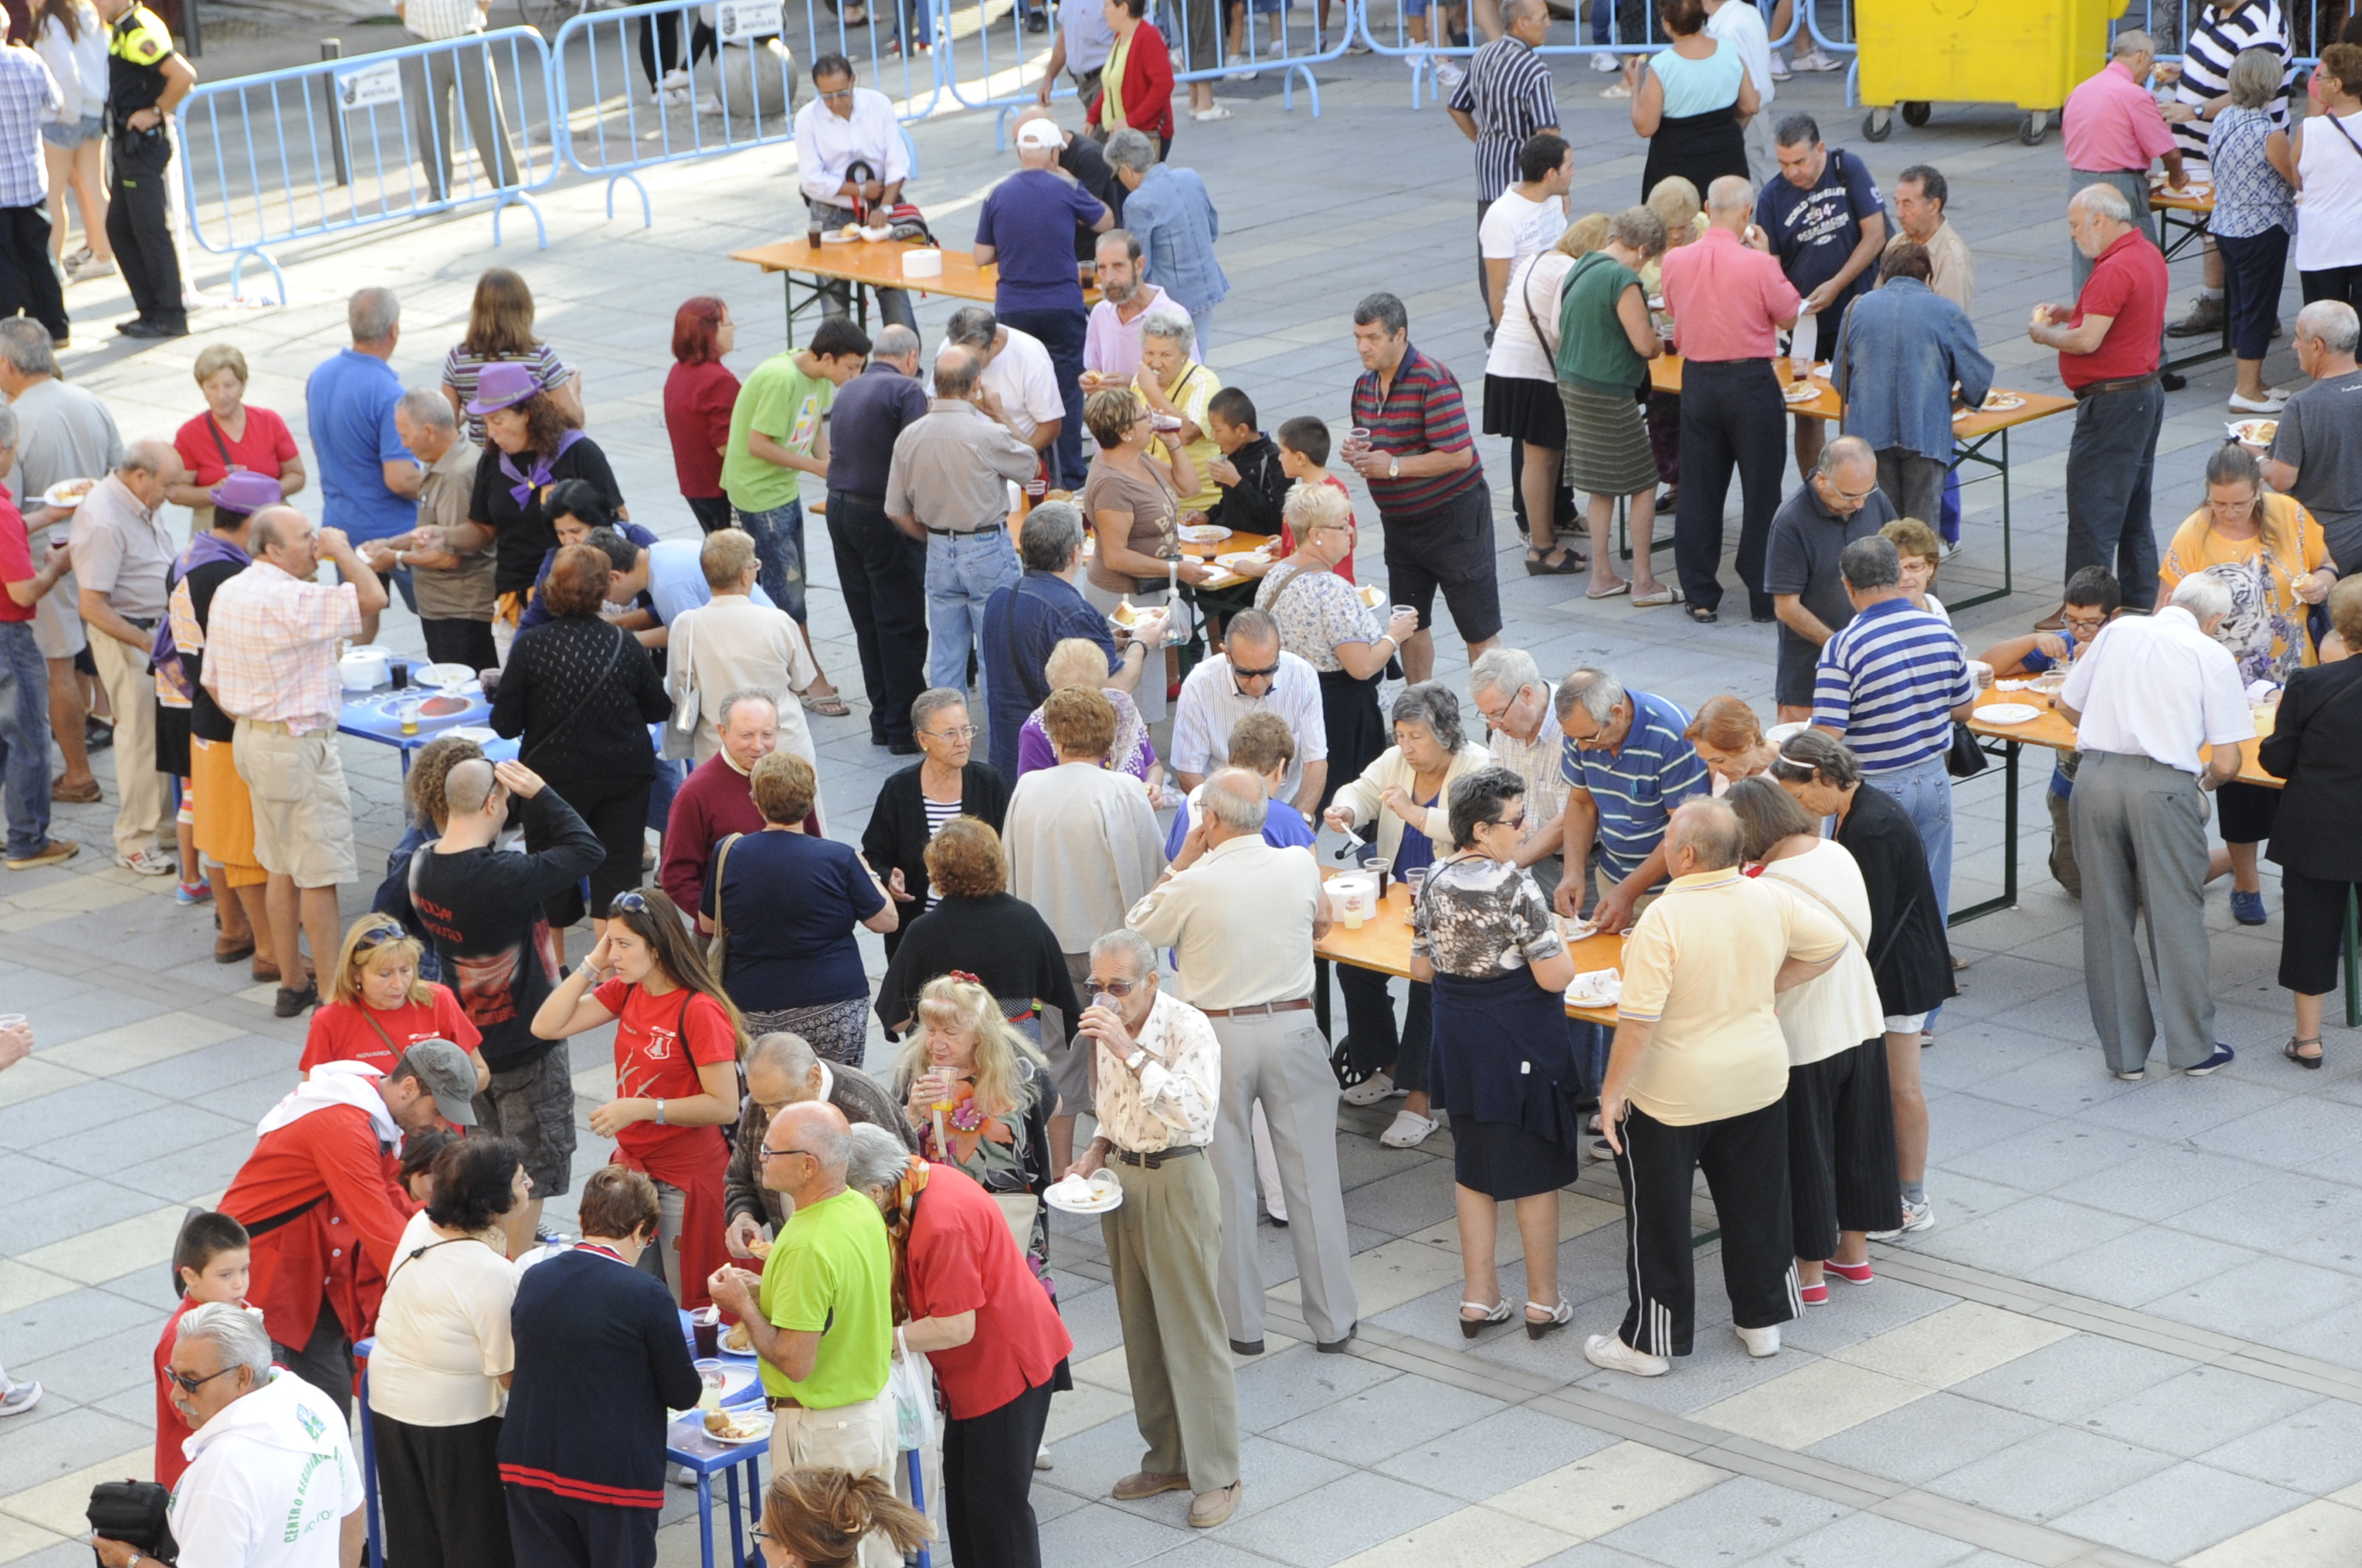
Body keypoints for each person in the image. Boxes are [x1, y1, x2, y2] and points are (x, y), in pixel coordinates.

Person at [1582, 799, 1844, 1377]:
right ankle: (1761, 1320)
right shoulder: (1768, 896)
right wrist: (1769, 986)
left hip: (1672, 1094)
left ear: (1686, 855)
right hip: (1756, 1079)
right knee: (1757, 1203)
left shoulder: (1664, 920)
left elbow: (1639, 1022)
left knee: (1660, 1216)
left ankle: (1651, 1343)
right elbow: (1830, 944)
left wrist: (1609, 1095)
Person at [1128, 768, 1356, 1355]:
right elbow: (1324, 920)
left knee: (1226, 1185)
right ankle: (1333, 1320)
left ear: (1210, 819)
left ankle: (1243, 1327)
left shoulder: (1194, 882)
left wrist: (1182, 858)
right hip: (1293, 1025)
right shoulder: (1300, 864)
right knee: (1315, 1182)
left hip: (1216, 1036)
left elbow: (1139, 929)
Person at [1060, 925, 1240, 1525]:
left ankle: (1219, 1473)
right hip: (1121, 1179)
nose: (1106, 996)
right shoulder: (1105, 1027)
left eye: (1120, 985)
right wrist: (1093, 1152)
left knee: (1191, 1329)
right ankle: (1166, 1457)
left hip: (1177, 1176)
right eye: (1096, 984)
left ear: (1153, 981)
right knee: (1140, 1328)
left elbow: (1194, 1109)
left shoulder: (1187, 1028)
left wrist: (1131, 1053)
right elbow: (1112, 1109)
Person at [842, 1125, 1071, 1568]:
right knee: (967, 1506)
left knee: (997, 1515)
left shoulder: (940, 1221)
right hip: (977, 1371)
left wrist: (885, 1340)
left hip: (1005, 1369)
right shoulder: (914, 1185)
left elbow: (955, 1327)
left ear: (872, 1191)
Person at [1409, 765, 1586, 1338]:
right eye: (1516, 820)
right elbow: (1556, 976)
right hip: (1518, 1041)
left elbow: (1420, 964)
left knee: (1474, 1165)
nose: (1525, 828)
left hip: (1458, 1039)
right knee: (1533, 1169)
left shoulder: (1433, 877)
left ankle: (1478, 1297)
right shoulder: (1514, 885)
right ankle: (1543, 1301)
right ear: (1483, 830)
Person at [2060, 573, 2254, 1079]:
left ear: (2168, 599)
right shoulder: (2211, 655)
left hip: (2095, 778)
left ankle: (2124, 1056)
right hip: (2164, 786)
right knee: (2175, 919)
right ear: (2214, 621)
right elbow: (2230, 762)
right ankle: (2193, 1049)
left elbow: (2067, 705)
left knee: (2105, 917)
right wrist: (2205, 781)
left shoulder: (2118, 632)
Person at [404, 759, 603, 1246]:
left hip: (473, 1048)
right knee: (529, 1172)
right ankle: (511, 1270)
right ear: (493, 803)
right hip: (530, 1042)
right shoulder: (502, 874)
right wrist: (542, 792)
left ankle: (496, 1252)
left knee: (490, 1169)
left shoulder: (421, 865)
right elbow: (587, 849)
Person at [219, 1041, 475, 1419]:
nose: (441, 1125)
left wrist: (448, 1233)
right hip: (263, 1283)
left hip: (307, 1281)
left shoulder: (369, 1106)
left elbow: (388, 1194)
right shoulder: (346, 1127)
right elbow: (379, 1224)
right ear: (408, 1088)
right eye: (438, 1110)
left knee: (330, 1413)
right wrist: (442, 1289)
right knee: (269, 1419)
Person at [205, 506, 387, 1015]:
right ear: (272, 549)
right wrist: (345, 551)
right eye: (305, 537)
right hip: (295, 745)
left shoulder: (232, 589)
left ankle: (291, 982)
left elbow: (214, 680)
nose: (316, 542)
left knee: (281, 865)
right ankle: (333, 997)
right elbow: (374, 597)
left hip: (252, 740)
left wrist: (259, 717)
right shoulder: (292, 596)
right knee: (316, 873)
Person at [1770, 729, 1951, 1235]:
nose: (1802, 809)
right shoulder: (1856, 809)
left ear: (1824, 778)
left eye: (1803, 797)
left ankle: (1912, 1197)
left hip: (1900, 972)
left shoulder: (1869, 826)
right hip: (1898, 962)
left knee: (1901, 1087)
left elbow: (1868, 920)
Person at [1722, 776, 1895, 1301]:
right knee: (1857, 1142)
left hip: (1803, 1035)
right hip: (1862, 1018)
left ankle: (1810, 1274)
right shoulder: (1837, 853)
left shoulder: (1766, 888)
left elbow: (1757, 964)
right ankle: (1855, 1255)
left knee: (1807, 1151)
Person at [532, 885, 744, 1305]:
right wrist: (592, 963)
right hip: (635, 1176)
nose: (614, 955)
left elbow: (724, 1105)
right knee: (625, 1299)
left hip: (687, 1183)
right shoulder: (629, 989)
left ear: (659, 946)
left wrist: (643, 1109)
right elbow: (546, 1025)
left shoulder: (699, 1009)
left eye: (624, 944)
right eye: (612, 943)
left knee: (691, 1304)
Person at [706, 1101, 899, 1557]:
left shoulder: (806, 1245)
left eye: (771, 1151)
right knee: (869, 1556)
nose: (760, 1157)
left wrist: (741, 1307)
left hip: (823, 1430)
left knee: (816, 1557)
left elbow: (795, 1361)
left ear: (808, 1166)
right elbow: (836, 1301)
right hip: (868, 1414)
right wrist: (768, 1289)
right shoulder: (859, 1208)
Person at [2158, 441, 2331, 924]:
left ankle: (2302, 881)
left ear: (2258, 492)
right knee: (2237, 783)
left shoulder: (2290, 515)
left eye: (2237, 502)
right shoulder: (2194, 533)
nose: (2228, 512)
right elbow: (2167, 605)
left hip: (2295, 675)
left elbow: (2327, 565)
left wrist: (2322, 583)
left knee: (2299, 783)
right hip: (2224, 682)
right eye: (2218, 503)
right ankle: (2246, 878)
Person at [500, 1166, 702, 1568]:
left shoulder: (535, 1277)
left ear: (581, 1219)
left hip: (528, 1462)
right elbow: (684, 1392)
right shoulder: (646, 1293)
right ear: (640, 1230)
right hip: (610, 1479)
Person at [1322, 683, 1494, 1148]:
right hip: (1398, 896)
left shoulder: (1477, 766)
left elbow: (1468, 830)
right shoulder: (1395, 761)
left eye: (1416, 736)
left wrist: (1413, 811)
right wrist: (1346, 808)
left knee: (1429, 979)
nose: (1407, 747)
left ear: (1447, 733)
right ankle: (1388, 1066)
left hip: (1456, 903)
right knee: (1353, 966)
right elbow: (1362, 789)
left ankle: (1421, 1097)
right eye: (1400, 735)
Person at [1004, 686, 1166, 1153]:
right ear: (1111, 739)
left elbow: (1009, 870)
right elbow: (1151, 874)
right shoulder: (1122, 791)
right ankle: (1128, 1155)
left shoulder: (1028, 789)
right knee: (1125, 1051)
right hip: (1112, 953)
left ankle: (1059, 1169)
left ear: (1055, 738)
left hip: (1048, 947)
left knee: (1058, 1058)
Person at [490, 545, 670, 932]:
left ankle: (555, 970)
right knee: (619, 869)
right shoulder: (625, 645)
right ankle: (609, 970)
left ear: (550, 588)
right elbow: (659, 708)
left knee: (551, 869)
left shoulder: (531, 646)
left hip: (552, 780)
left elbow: (504, 724)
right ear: (604, 589)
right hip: (624, 773)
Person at [103, 1305, 362, 1568]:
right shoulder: (315, 1402)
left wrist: (133, 1560)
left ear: (242, 1377)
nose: (176, 1395)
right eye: (174, 1377)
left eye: (191, 1382)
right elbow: (351, 1512)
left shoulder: (222, 1474)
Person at [370, 1136, 525, 1568]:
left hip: (388, 1404)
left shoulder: (420, 1224)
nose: (528, 1184)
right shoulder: (491, 1273)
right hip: (453, 1422)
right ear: (494, 1200)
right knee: (476, 1543)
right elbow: (509, 1373)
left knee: (414, 1537)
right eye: (519, 1179)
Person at [1811, 536, 1973, 936]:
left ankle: (1880, 996)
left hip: (1874, 788)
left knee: (1871, 906)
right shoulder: (1939, 628)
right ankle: (1930, 995)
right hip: (1934, 779)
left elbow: (1829, 734)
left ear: (1847, 585)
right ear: (1898, 574)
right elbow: (1963, 709)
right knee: (1930, 896)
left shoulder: (1844, 646)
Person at [1661, 174, 1801, 624]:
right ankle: (1763, 596)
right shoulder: (1757, 264)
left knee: (1700, 488)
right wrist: (1767, 259)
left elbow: (1670, 309)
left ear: (1707, 205)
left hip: (1699, 380)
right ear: (1747, 214)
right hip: (1751, 383)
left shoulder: (1677, 260)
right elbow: (1789, 312)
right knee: (1762, 491)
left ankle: (1700, 593)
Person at [2032, 182, 2171, 615]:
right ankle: (2138, 603)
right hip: (2143, 395)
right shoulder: (2145, 253)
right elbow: (2111, 313)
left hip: (2114, 405)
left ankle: (2082, 608)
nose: (2073, 233)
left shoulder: (2114, 267)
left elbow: (2088, 339)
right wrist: (2071, 309)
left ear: (2100, 219)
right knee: (2133, 512)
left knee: (2092, 515)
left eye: (2076, 225)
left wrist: (2046, 335)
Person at [1344, 293, 1497, 680]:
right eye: (1358, 337)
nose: (1363, 346)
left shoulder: (1432, 379)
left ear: (1401, 335)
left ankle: (1500, 719)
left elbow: (1459, 454)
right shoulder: (1365, 385)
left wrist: (1394, 465)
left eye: (1373, 337)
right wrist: (1358, 450)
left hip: (1453, 520)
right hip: (1401, 525)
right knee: (1408, 624)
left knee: (1478, 628)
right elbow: (1378, 442)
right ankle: (1419, 712)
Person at [705, 749, 895, 1058]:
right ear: (810, 800)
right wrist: (870, 872)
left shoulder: (730, 853)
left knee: (767, 1097)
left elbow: (709, 924)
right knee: (834, 1094)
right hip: (833, 1001)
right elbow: (886, 921)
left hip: (753, 1003)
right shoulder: (838, 857)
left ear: (756, 801)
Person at [719, 322, 863, 716]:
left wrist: (834, 464)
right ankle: (808, 679)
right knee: (788, 593)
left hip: (783, 490)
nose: (854, 377)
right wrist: (815, 468)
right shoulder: (782, 378)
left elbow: (813, 425)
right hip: (759, 495)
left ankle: (785, 669)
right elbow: (757, 443)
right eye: (851, 368)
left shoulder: (815, 379)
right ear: (827, 358)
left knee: (790, 584)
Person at [885, 344, 1040, 708]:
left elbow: (895, 510)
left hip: (938, 548)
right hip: (985, 546)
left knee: (945, 656)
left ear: (936, 385)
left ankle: (945, 739)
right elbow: (1031, 465)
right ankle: (1001, 744)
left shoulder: (910, 436)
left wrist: (932, 537)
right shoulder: (986, 434)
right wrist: (1000, 414)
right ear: (976, 385)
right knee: (995, 654)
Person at [157, 473, 272, 954]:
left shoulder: (193, 553)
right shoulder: (225, 576)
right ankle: (255, 935)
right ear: (252, 524)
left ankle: (232, 927)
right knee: (239, 837)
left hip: (187, 701)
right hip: (223, 712)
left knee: (214, 825)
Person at [1, 316, 115, 805]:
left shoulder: (15, 421)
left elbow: (11, 510)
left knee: (58, 666)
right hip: (102, 544)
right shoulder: (90, 400)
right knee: (113, 655)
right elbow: (118, 471)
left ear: (7, 364)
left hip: (47, 556)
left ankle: (77, 775)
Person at [977, 500, 1162, 783]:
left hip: (1008, 753)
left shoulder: (1000, 596)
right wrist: (1141, 642)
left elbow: (1034, 652)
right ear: (1076, 552)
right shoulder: (1074, 612)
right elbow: (1115, 686)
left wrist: (1110, 644)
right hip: (1057, 755)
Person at [1257, 480, 1415, 804]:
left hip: (1289, 701)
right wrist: (1394, 635)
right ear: (1316, 534)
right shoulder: (1332, 589)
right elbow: (1363, 666)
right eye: (1343, 527)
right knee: (1350, 803)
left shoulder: (1275, 574)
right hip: (1339, 714)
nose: (1351, 535)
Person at [975, 123, 1113, 490]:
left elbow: (981, 255)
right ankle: (1068, 475)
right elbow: (1106, 220)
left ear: (1021, 153)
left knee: (1014, 387)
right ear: (1055, 153)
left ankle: (1019, 469)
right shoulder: (1066, 187)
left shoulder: (998, 193)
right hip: (1061, 305)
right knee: (1067, 389)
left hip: (1014, 307)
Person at [884, 976, 1056, 1265]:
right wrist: (912, 1112)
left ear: (979, 1033)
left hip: (1008, 1215)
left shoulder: (1018, 1073)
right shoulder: (913, 1073)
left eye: (950, 1033)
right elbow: (889, 1149)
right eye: (931, 1030)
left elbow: (1051, 1106)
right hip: (941, 1218)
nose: (936, 1043)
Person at [2262, 577, 2362, 1067]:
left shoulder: (2311, 683)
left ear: (2342, 630)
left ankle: (2308, 1041)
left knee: (2309, 929)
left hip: (2316, 828)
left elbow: (2276, 761)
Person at [68, 441, 178, 875]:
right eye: (166, 484)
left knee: (162, 732)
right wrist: (145, 642)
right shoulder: (103, 518)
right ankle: (134, 840)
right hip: (130, 636)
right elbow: (92, 604)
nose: (171, 492)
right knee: (139, 738)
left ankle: (164, 825)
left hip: (153, 630)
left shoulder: (138, 500)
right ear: (140, 477)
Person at [1755, 115, 1886, 477]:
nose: (1792, 172)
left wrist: (1838, 283)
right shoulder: (1772, 197)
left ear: (1820, 149)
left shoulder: (1848, 168)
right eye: (1783, 164)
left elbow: (1875, 235)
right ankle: (1816, 488)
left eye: (1799, 162)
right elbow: (1770, 267)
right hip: (1807, 325)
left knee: (1857, 407)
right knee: (1808, 412)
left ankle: (1859, 484)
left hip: (1856, 314)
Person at [1556, 204, 1675, 602]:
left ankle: (1602, 576)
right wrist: (1659, 338)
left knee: (1601, 486)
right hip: (1607, 391)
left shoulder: (1583, 265)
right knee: (1644, 483)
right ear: (1642, 249)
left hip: (1573, 383)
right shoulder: (1622, 279)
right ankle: (1643, 581)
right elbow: (1644, 344)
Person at [821, 323, 930, 750]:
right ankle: (904, 730)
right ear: (912, 357)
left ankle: (883, 722)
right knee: (899, 620)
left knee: (867, 619)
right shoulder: (907, 391)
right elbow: (918, 457)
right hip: (879, 514)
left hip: (838, 509)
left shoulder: (849, 387)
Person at [1832, 243, 1990, 528]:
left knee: (1878, 531)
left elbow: (1840, 380)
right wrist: (1956, 404)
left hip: (1869, 437)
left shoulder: (1857, 309)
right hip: (1925, 436)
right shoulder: (1946, 312)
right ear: (1928, 278)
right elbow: (1978, 379)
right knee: (1919, 536)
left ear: (1883, 274)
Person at [1079, 382, 1206, 724]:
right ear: (1123, 432)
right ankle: (1137, 773)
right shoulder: (1111, 484)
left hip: (1151, 589)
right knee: (1133, 696)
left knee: (1148, 690)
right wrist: (1177, 571)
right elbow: (1116, 556)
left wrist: (1174, 443)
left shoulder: (1141, 458)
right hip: (1125, 597)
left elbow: (1189, 487)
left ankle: (1143, 771)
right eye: (1142, 416)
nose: (1151, 417)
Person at [727, 1030, 915, 1258]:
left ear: (814, 1078)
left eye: (780, 1105)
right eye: (763, 1105)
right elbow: (740, 1178)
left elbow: (902, 1193)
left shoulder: (864, 1104)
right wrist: (743, 1216)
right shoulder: (764, 1100)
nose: (771, 1117)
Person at [1553, 666, 1712, 928]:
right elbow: (1581, 804)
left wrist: (1627, 892)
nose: (1581, 747)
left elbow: (1685, 830)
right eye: (1573, 739)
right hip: (1612, 878)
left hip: (1670, 890)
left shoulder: (1671, 733)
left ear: (1617, 713)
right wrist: (1573, 871)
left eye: (1588, 738)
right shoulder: (1580, 732)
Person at [308, 288, 423, 639]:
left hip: (344, 523)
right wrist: (439, 484)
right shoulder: (388, 392)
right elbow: (400, 478)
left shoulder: (321, 377)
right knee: (438, 616)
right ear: (394, 330)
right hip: (393, 530)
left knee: (361, 622)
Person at [861, 686, 1010, 959]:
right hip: (919, 931)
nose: (963, 741)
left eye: (966, 730)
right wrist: (888, 877)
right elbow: (874, 854)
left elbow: (1008, 850)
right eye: (949, 734)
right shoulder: (899, 790)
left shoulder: (989, 783)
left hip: (982, 929)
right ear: (923, 739)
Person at [663, 528, 822, 774]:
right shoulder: (778, 622)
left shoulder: (687, 625)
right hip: (781, 745)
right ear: (745, 575)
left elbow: (678, 690)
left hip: (720, 750)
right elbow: (802, 682)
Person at [1764, 436, 1899, 720]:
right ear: (1823, 480)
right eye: (1850, 496)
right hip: (1810, 677)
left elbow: (1900, 562)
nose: (1861, 504)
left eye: (1867, 491)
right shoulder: (1791, 521)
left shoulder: (1874, 499)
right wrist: (1842, 648)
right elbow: (1786, 606)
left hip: (1876, 667)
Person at [366, 386, 495, 673]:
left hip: (460, 613)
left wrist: (395, 559)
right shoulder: (442, 462)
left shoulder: (456, 474)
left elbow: (449, 556)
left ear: (429, 431)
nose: (403, 444)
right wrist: (389, 543)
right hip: (446, 610)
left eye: (405, 435)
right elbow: (429, 532)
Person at [1447, 0, 1559, 314]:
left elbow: (1457, 105)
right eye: (1542, 18)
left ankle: (1495, 331)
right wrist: (1559, 185)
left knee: (1493, 262)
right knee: (1530, 259)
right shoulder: (1535, 70)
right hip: (1525, 183)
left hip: (1488, 177)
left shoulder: (1483, 53)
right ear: (1521, 23)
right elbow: (1548, 133)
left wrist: (1481, 138)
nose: (1548, 24)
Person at [792, 54, 916, 330]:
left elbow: (897, 162)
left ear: (853, 80)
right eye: (827, 96)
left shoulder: (878, 104)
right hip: (832, 212)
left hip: (880, 203)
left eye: (842, 93)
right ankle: (842, 369)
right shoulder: (807, 119)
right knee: (834, 300)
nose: (835, 102)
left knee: (892, 288)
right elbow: (812, 180)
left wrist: (884, 207)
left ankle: (906, 363)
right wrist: (859, 190)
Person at [2205, 48, 2298, 412]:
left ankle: (2251, 381)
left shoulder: (2224, 118)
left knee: (2242, 306)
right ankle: (2246, 391)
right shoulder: (2270, 133)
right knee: (2259, 307)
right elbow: (2293, 179)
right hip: (2261, 228)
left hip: (2226, 224)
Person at [89, 0, 189, 337]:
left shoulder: (137, 29)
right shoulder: (123, 26)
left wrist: (156, 111)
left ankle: (170, 315)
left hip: (141, 149)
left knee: (149, 231)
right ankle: (150, 311)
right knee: (120, 228)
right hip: (127, 147)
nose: (95, 3)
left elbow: (183, 75)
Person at [301, 913, 489, 1090]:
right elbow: (312, 1093)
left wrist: (443, 1093)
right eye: (385, 974)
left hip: (437, 1123)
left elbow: (481, 1072)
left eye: (406, 970)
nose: (398, 984)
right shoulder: (330, 1021)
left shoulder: (438, 1000)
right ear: (356, 973)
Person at [660, 690, 803, 921]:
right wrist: (719, 920)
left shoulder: (793, 777)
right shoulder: (695, 793)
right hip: (731, 935)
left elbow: (815, 842)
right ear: (723, 732)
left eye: (767, 734)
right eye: (746, 735)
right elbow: (676, 875)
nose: (758, 746)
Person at [0, 406, 71, 871]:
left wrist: (47, 515)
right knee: (28, 736)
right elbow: (22, 589)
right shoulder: (2, 511)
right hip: (8, 637)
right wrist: (56, 568)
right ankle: (28, 840)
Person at [1168, 607, 1324, 814]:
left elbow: (1316, 761)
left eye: (1268, 670)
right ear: (1227, 654)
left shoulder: (1303, 676)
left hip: (1286, 802)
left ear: (1280, 649)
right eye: (1245, 673)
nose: (1258, 684)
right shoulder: (1199, 685)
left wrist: (1302, 821)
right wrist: (1231, 823)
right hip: (1223, 807)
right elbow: (1188, 772)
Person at [2061, 30, 2183, 294]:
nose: (2149, 72)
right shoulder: (2133, 95)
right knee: (2142, 269)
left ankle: (2087, 331)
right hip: (2121, 187)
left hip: (2079, 184)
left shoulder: (2079, 92)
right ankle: (2140, 332)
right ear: (2141, 57)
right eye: (2150, 65)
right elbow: (2170, 153)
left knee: (2087, 269)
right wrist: (2177, 177)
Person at [1104, 128, 1227, 350]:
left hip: (1171, 301)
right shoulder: (1190, 177)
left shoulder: (1138, 201)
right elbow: (1212, 229)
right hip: (1206, 287)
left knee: (1171, 371)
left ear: (1125, 170)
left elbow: (1139, 264)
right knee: (1196, 365)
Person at [153, 1211, 251, 1488]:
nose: (239, 1284)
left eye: (244, 1269)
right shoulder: (183, 1337)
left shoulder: (236, 1311)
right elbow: (189, 1411)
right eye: (225, 1274)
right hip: (198, 1478)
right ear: (190, 1276)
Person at [2264, 300, 2362, 575]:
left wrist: (2259, 457)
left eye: (2298, 337)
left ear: (2317, 346)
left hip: (2325, 543)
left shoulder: (2303, 405)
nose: (2295, 345)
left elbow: (2282, 479)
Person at [1628, 0, 1755, 205]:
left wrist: (1635, 85)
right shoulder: (1729, 51)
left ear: (1668, 25)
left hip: (1677, 163)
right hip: (1726, 155)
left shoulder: (1663, 65)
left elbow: (1645, 126)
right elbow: (1751, 104)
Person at [1465, 647, 1569, 893]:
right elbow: (1498, 797)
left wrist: (1508, 866)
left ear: (1526, 694)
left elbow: (1569, 819)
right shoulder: (1505, 728)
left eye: (1498, 714)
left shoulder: (1571, 725)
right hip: (1533, 861)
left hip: (1583, 861)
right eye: (1487, 715)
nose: (1493, 725)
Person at [395, 0, 518, 204]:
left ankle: (508, 186)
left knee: (486, 116)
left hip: (467, 38)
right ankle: (439, 192)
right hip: (425, 43)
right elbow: (399, 5)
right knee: (430, 120)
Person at [442, 267, 579, 444]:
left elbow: (445, 425)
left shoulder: (457, 359)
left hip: (482, 465)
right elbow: (573, 420)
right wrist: (573, 388)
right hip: (532, 462)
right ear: (524, 309)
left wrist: (470, 413)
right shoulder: (540, 356)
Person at [0, 21, 69, 348]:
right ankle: (56, 327)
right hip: (28, 179)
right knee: (40, 257)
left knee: (4, 264)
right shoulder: (29, 61)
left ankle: (9, 334)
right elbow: (56, 104)